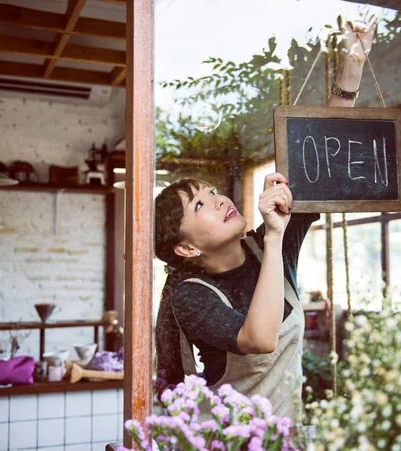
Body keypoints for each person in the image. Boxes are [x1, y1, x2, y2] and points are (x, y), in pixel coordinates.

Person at [154, 21, 376, 420]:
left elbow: (319, 160)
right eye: (201, 206)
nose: (220, 200)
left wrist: (352, 65)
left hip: (282, 439)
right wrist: (273, 237)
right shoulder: (191, 294)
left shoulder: (267, 243)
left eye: (212, 192)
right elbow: (258, 339)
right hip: (224, 444)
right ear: (186, 247)